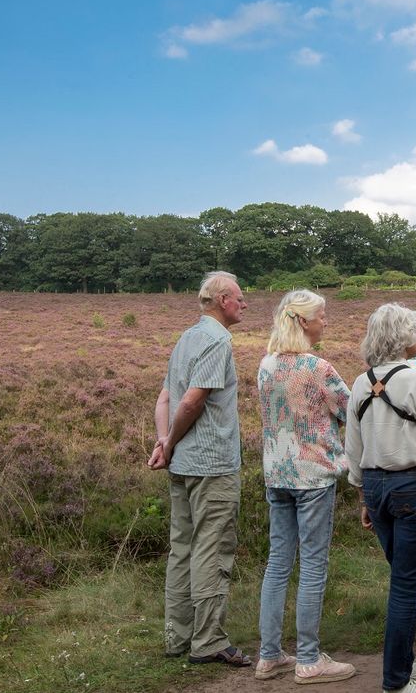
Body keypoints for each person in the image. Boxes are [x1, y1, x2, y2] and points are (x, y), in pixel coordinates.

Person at [345, 303, 416, 693]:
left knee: (402, 578)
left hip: (376, 488)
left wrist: (364, 496)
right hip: (414, 489)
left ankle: (404, 664)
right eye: (415, 329)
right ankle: (396, 682)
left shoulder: (360, 383)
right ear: (403, 337)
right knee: (406, 586)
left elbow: (354, 448)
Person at [252, 289, 357, 684]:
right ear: (303, 321)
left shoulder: (266, 365)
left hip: (277, 473)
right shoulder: (318, 367)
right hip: (312, 476)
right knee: (313, 565)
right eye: (321, 316)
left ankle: (269, 656)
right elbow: (350, 410)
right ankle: (310, 660)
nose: (325, 321)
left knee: (278, 562)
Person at [148, 271, 252, 667]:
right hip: (211, 465)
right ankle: (208, 641)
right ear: (223, 300)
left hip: (183, 464)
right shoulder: (216, 340)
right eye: (239, 298)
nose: (244, 304)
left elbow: (165, 399)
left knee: (183, 549)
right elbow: (191, 401)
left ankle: (177, 637)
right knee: (212, 548)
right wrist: (170, 442)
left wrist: (164, 442)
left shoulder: (186, 338)